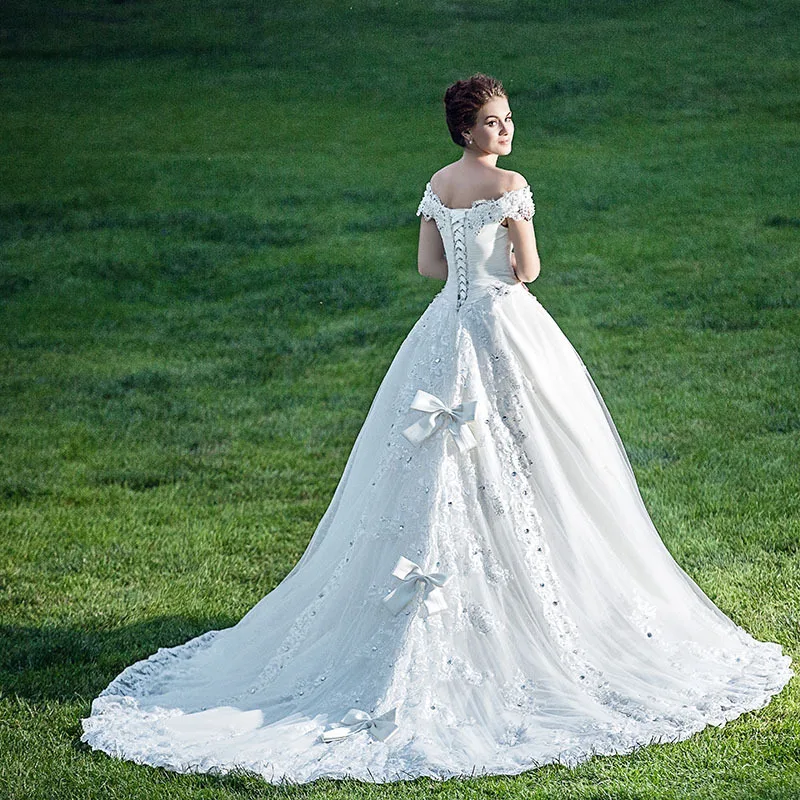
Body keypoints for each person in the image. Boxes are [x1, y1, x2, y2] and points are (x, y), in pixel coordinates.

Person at [81, 73, 793, 785]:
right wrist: (512, 249)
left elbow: (429, 266)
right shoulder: (509, 185)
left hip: (444, 331)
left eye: (507, 119)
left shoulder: (437, 183)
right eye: (491, 121)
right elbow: (531, 271)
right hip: (504, 327)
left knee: (433, 460)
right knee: (531, 451)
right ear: (466, 129)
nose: (504, 130)